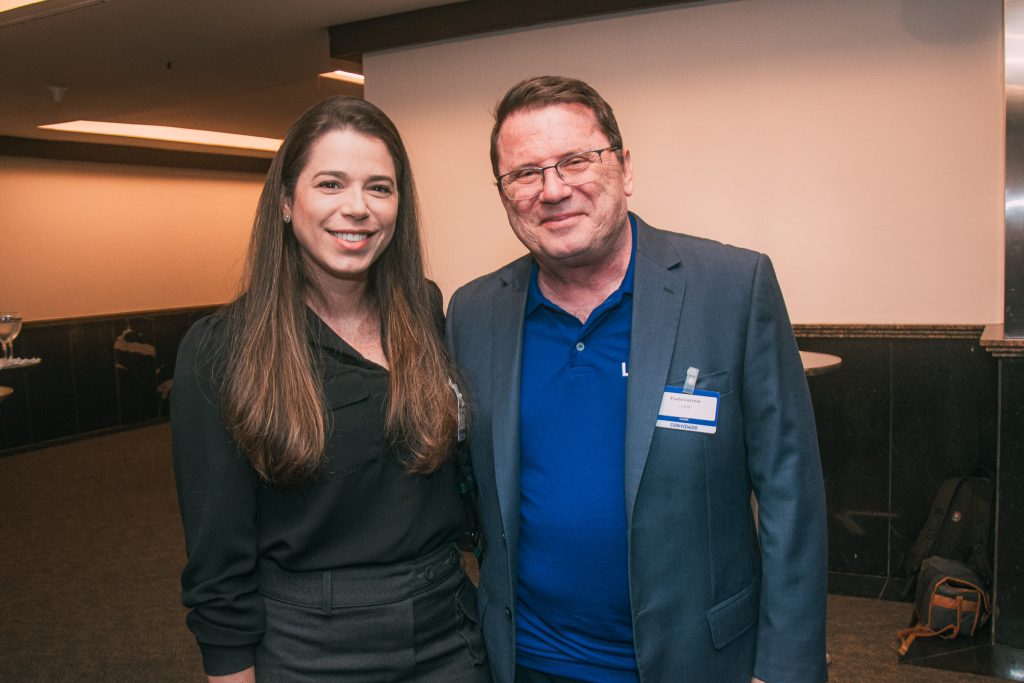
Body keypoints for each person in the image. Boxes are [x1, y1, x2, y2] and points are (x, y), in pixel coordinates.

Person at [445, 76, 827, 683]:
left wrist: (785, 667)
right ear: (504, 193)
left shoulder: (732, 287)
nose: (553, 190)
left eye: (575, 160)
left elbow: (791, 491)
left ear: (624, 167)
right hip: (525, 660)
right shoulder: (473, 312)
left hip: (696, 660)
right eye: (525, 173)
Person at [171, 96, 489, 683]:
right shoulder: (223, 348)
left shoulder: (424, 309)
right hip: (312, 649)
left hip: (448, 626)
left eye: (379, 188)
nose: (357, 207)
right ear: (285, 201)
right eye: (331, 184)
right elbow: (218, 558)